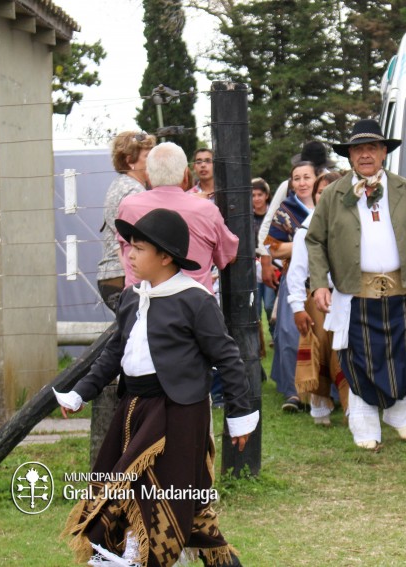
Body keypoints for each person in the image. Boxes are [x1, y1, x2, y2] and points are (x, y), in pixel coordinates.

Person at [56, 208, 256, 567]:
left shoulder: (195, 299)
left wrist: (240, 415)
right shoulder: (133, 297)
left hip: (178, 412)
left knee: (158, 487)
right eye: (129, 246)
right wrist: (80, 391)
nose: (129, 254)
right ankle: (205, 558)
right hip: (135, 408)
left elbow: (228, 357)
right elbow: (114, 352)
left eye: (138, 248)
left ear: (165, 257)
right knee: (150, 489)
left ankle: (141, 556)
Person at [306, 119, 406, 450]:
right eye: (358, 149)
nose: (365, 155)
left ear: (383, 153)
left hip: (403, 290)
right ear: (350, 156)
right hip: (357, 293)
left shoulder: (405, 189)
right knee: (360, 364)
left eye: (372, 148)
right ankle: (366, 430)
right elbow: (315, 241)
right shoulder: (334, 194)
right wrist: (320, 283)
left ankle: (398, 416)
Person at [117, 142, 239, 292]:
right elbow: (228, 256)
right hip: (193, 305)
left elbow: (124, 252)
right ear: (186, 175)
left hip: (140, 302)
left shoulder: (128, 206)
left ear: (148, 175)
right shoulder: (206, 210)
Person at [286, 171, 347, 426]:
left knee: (345, 351)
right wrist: (298, 307)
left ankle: (352, 409)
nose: (326, 195)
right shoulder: (306, 228)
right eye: (321, 192)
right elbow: (297, 271)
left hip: (346, 296)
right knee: (319, 349)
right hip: (317, 297)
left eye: (332, 190)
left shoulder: (352, 224)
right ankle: (320, 408)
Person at [265, 161, 317, 412]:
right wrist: (306, 243)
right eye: (297, 178)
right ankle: (294, 392)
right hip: (293, 278)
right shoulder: (286, 210)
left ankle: (322, 391)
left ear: (316, 179)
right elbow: (273, 247)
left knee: (323, 334)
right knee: (289, 333)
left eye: (307, 177)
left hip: (323, 280)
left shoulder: (328, 205)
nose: (302, 182)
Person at [257, 141, 335, 293]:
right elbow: (267, 225)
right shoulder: (287, 187)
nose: (302, 183)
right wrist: (265, 262)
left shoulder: (334, 186)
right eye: (298, 178)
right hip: (294, 269)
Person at [97, 131, 156, 311]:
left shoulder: (122, 185)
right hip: (123, 276)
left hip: (113, 276)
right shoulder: (133, 191)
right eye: (148, 156)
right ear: (130, 160)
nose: (153, 162)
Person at [252, 178, 277, 340]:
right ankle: (256, 341)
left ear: (267, 195)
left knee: (269, 305)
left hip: (271, 264)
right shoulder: (246, 216)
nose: (256, 199)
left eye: (259, 195)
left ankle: (275, 335)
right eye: (252, 195)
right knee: (254, 306)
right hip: (252, 265)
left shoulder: (274, 215)